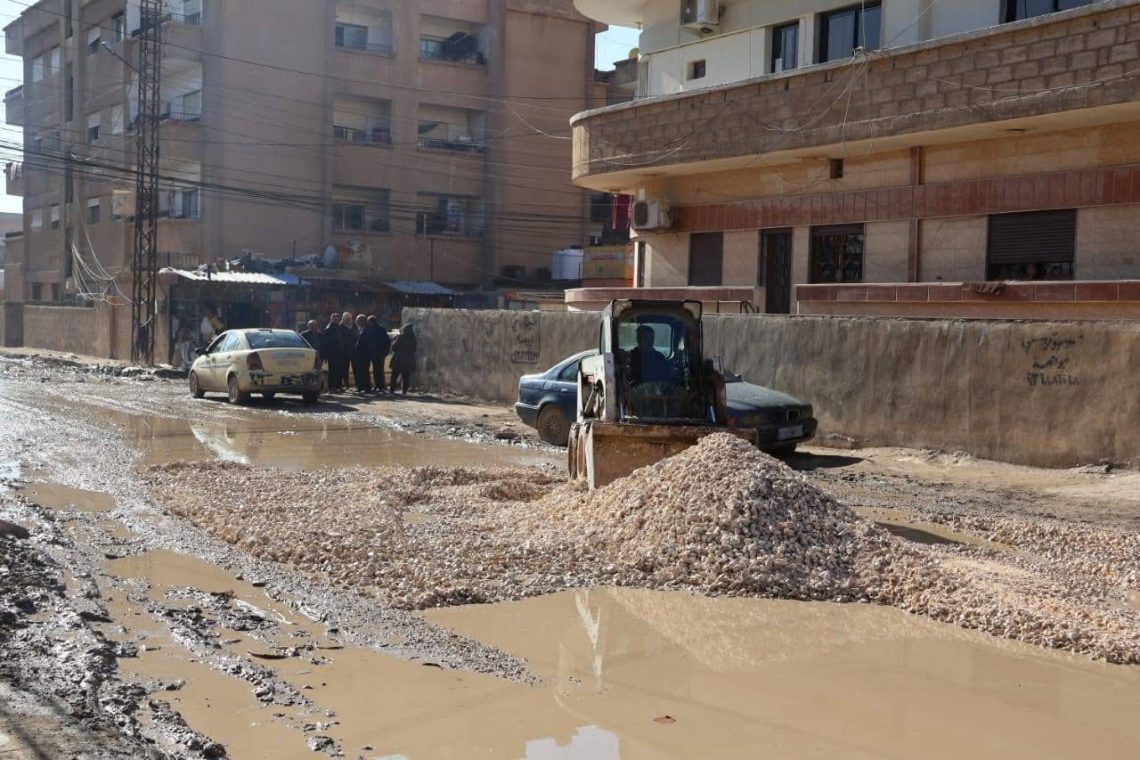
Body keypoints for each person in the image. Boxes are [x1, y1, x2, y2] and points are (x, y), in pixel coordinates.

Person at [389, 323, 417, 395]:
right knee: (406, 376)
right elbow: (414, 349)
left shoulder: (401, 337)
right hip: (408, 359)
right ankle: (404, 391)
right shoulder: (413, 338)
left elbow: (394, 347)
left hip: (399, 358)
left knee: (394, 376)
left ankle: (392, 389)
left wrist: (395, 340)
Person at [323, 312, 347, 392]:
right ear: (331, 319)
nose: (336, 320)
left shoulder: (340, 327)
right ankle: (332, 387)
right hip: (332, 354)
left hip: (341, 353)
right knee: (332, 371)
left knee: (339, 370)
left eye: (337, 318)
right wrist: (326, 354)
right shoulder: (328, 328)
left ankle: (338, 386)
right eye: (334, 318)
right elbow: (326, 343)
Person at [367, 315, 390, 394]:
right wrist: (386, 352)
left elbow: (369, 342)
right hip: (381, 353)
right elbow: (387, 341)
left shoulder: (371, 330)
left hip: (375, 353)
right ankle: (381, 386)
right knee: (380, 370)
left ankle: (378, 385)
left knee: (376, 370)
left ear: (371, 322)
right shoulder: (382, 329)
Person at [351, 314, 373, 393]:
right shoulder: (360, 329)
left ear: (362, 321)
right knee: (360, 371)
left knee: (364, 371)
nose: (356, 322)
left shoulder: (367, 329)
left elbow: (367, 343)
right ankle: (361, 387)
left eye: (358, 321)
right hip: (359, 355)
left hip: (364, 355)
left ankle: (366, 387)